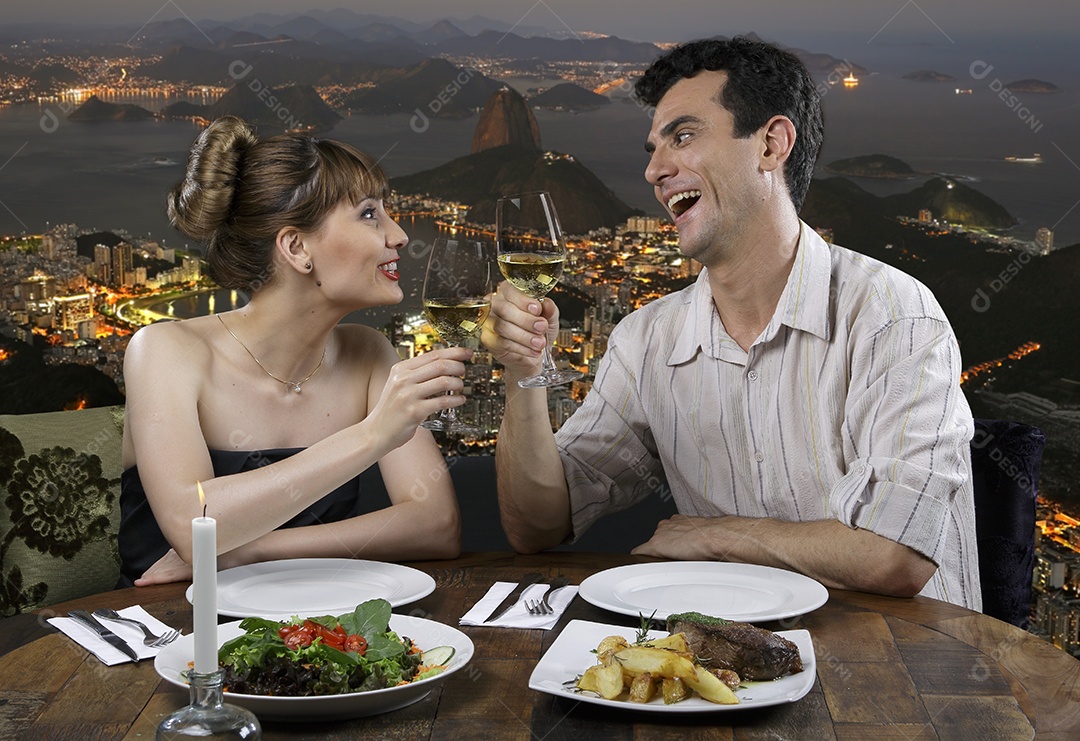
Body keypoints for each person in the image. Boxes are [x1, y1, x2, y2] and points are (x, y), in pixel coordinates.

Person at [483, 37, 981, 609]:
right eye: (654, 147)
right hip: (731, 675)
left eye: (684, 136)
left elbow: (896, 555)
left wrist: (713, 535)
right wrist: (522, 374)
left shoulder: (893, 317)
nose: (653, 170)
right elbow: (537, 525)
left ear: (772, 145)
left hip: (911, 672)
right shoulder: (645, 341)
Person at [118, 116, 467, 587]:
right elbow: (191, 525)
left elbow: (436, 527)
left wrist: (253, 552)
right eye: (369, 214)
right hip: (160, 631)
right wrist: (372, 435)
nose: (399, 235)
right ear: (297, 247)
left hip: (314, 631)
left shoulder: (368, 353)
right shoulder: (165, 350)